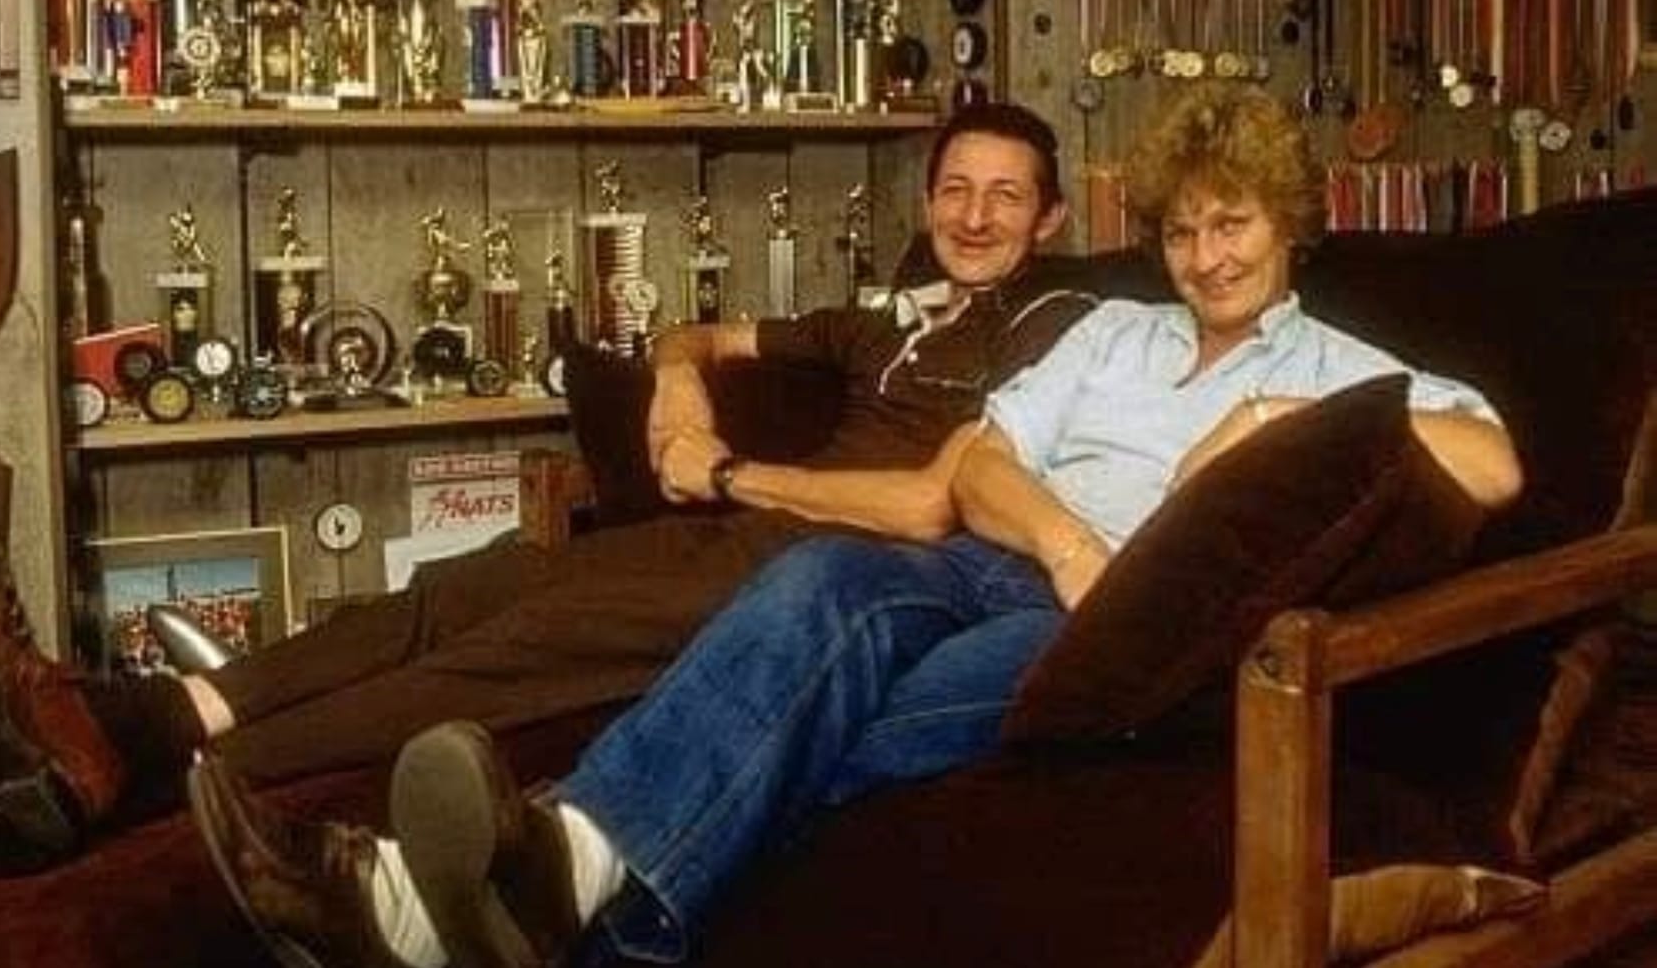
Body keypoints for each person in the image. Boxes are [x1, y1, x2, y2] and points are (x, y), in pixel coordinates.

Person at [187, 83, 1523, 968]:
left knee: (839, 710)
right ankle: (539, 884)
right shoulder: (1114, 329)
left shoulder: (1345, 365)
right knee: (821, 580)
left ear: (1290, 224)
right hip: (1007, 559)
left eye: (1233, 224)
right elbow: (977, 463)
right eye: (1182, 230)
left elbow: (1493, 463)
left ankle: (477, 895)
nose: (1207, 255)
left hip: (1128, 632)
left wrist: (1276, 421)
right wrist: (1064, 541)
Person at [0, 101, 1095, 868]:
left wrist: (731, 468)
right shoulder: (884, 314)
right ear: (926, 199)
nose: (973, 215)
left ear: (1047, 216)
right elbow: (690, 333)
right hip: (733, 535)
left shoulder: (1056, 330)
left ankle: (159, 776)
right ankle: (155, 717)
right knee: (466, 583)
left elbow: (931, 500)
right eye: (954, 188)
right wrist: (678, 389)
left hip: (826, 575)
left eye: (1004, 195)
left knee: (512, 645)